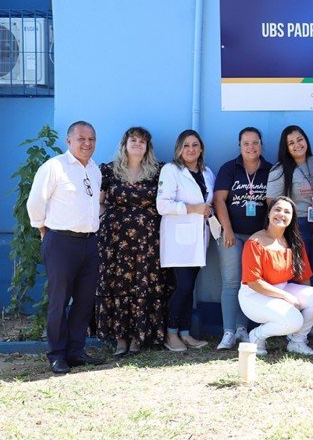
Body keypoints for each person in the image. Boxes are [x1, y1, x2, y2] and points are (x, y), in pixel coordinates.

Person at [27, 121, 105, 374]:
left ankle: (75, 351)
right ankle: (57, 354)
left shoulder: (94, 169)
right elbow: (35, 202)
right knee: (59, 300)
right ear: (69, 141)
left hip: (89, 242)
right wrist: (42, 229)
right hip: (60, 241)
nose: (87, 143)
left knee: (84, 300)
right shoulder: (54, 167)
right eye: (81, 139)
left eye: (91, 139)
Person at [96, 126, 166, 357]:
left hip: (147, 240)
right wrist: (109, 220)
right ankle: (120, 339)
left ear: (147, 148)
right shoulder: (108, 170)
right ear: (124, 144)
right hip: (115, 240)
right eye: (133, 140)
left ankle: (138, 337)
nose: (137, 144)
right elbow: (99, 202)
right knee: (117, 284)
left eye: (142, 141)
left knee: (143, 282)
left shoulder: (158, 171)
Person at [238, 196, 313, 356]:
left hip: (282, 288)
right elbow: (254, 282)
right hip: (254, 295)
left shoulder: (294, 241)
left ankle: (297, 341)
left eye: (287, 211)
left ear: (292, 218)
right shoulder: (255, 242)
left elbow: (304, 276)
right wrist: (287, 297)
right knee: (294, 320)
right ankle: (256, 336)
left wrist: (307, 304)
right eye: (277, 209)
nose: (281, 214)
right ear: (269, 213)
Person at [267, 125, 313, 339]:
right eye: (291, 143)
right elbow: (271, 203)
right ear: (286, 148)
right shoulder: (279, 169)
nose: (297, 145)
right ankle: (294, 324)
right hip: (297, 226)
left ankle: (310, 322)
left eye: (300, 139)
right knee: (299, 276)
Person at [212, 127, 271, 350]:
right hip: (232, 234)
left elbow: (273, 204)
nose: (251, 147)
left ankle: (242, 328)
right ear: (239, 145)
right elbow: (219, 200)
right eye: (246, 143)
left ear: (261, 144)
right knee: (231, 282)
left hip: (258, 237)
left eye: (255, 143)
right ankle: (228, 332)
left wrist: (266, 235)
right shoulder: (230, 168)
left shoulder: (269, 168)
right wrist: (226, 230)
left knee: (250, 283)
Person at [157, 129, 214, 352]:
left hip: (199, 239)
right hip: (178, 239)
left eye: (195, 145)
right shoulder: (171, 170)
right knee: (183, 286)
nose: (191, 149)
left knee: (191, 288)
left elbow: (209, 202)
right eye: (186, 145)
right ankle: (170, 333)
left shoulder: (207, 172)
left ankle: (185, 332)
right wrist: (193, 209)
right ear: (179, 149)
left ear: (201, 149)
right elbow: (162, 205)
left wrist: (206, 212)